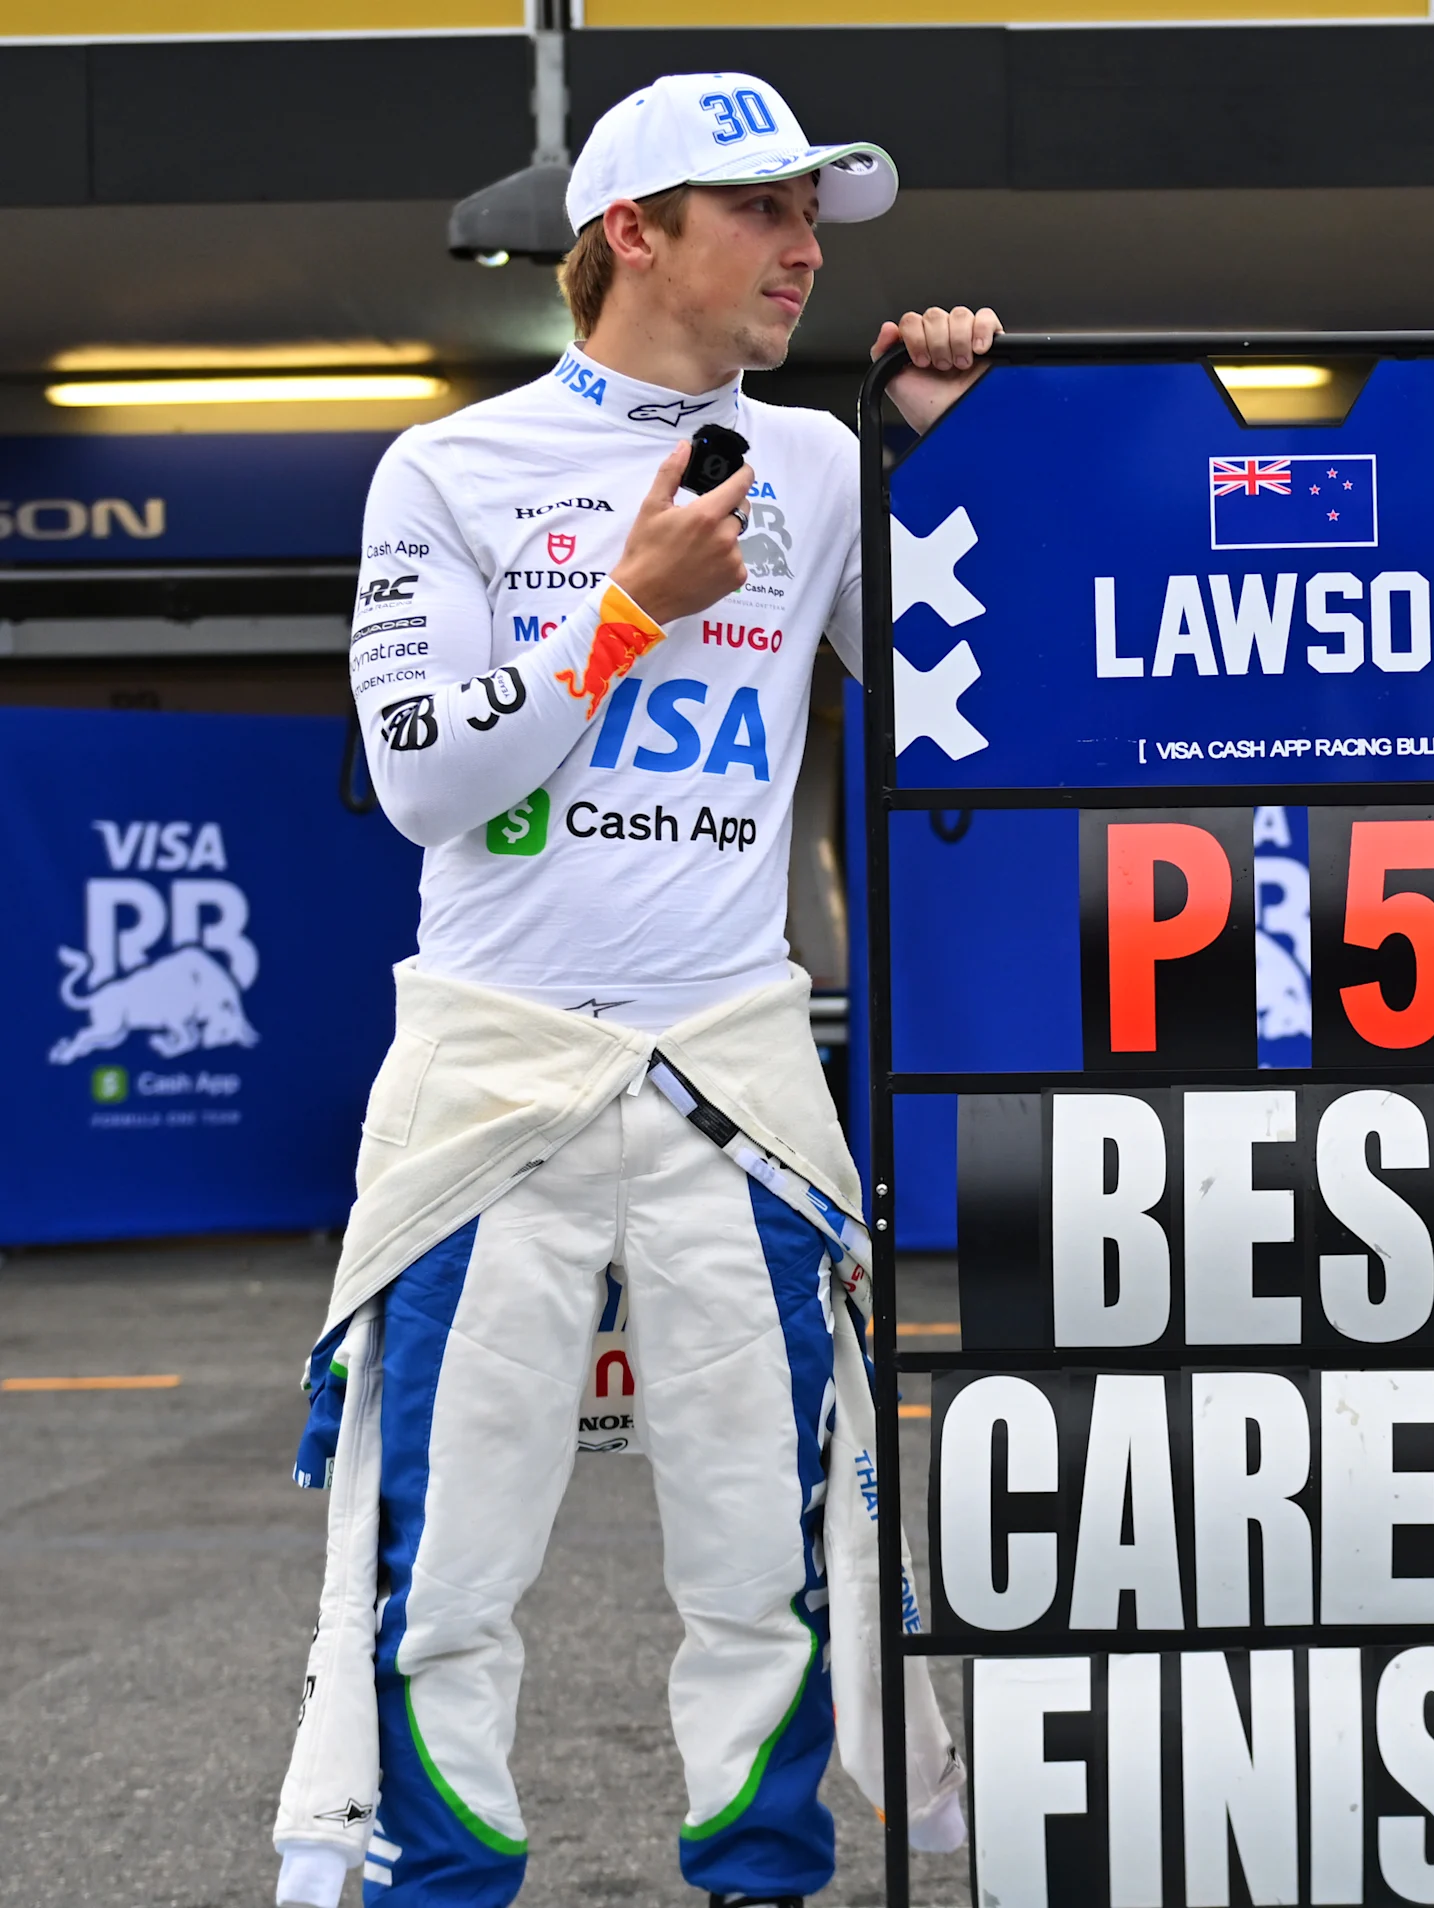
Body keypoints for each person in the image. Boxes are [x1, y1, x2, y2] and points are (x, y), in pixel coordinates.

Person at [272, 71, 1003, 1908]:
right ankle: (438, 1890)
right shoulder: (448, 467)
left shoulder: (820, 461)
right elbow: (426, 784)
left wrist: (954, 461)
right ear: (633, 233)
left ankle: (763, 1886)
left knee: (766, 1566)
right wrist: (624, 615)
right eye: (762, 210)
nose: (806, 247)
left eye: (814, 214)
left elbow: (960, 716)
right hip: (494, 1078)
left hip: (729, 1074)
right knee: (447, 1578)